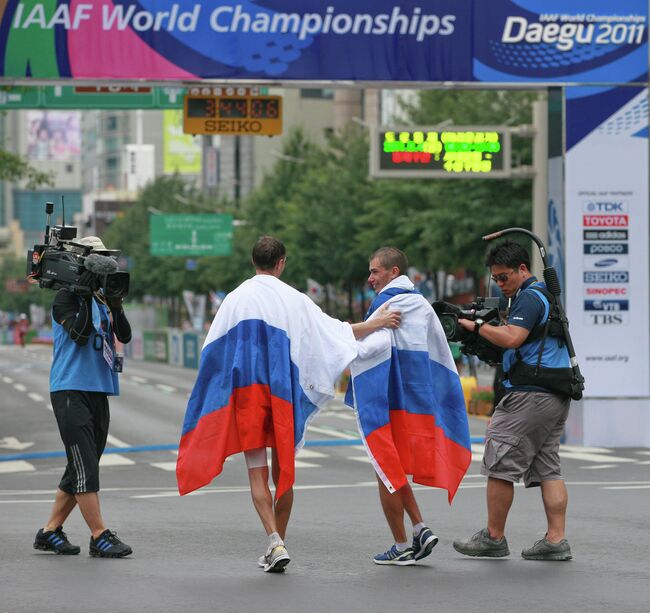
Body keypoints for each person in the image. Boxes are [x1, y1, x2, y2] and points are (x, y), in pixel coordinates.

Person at [176, 236, 400, 573]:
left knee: (257, 474)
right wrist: (375, 324)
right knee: (284, 472)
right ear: (281, 262)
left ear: (254, 262)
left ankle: (274, 541)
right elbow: (331, 333)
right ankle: (281, 538)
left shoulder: (235, 298)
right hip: (283, 394)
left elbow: (214, 352)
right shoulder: (294, 299)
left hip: (249, 395)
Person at [346, 247, 471, 566]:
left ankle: (402, 543)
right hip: (416, 400)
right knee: (393, 468)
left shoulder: (386, 304)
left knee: (384, 468)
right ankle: (420, 529)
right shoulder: (421, 304)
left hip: (387, 398)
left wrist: (346, 348)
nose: (370, 278)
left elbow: (372, 347)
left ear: (394, 272)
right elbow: (438, 350)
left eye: (375, 271)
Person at [453, 240, 573, 561]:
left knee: (500, 464)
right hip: (556, 392)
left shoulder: (530, 299)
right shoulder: (542, 297)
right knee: (548, 468)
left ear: (523, 269)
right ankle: (555, 540)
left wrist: (477, 326)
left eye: (505, 277)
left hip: (530, 395)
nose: (501, 284)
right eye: (496, 279)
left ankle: (493, 537)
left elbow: (513, 338)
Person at [34, 236, 133, 558]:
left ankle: (50, 531)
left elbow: (125, 335)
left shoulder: (103, 299)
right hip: (69, 389)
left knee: (80, 465)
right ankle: (99, 534)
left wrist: (115, 306)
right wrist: (82, 293)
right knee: (85, 467)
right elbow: (79, 336)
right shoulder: (65, 298)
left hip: (98, 389)